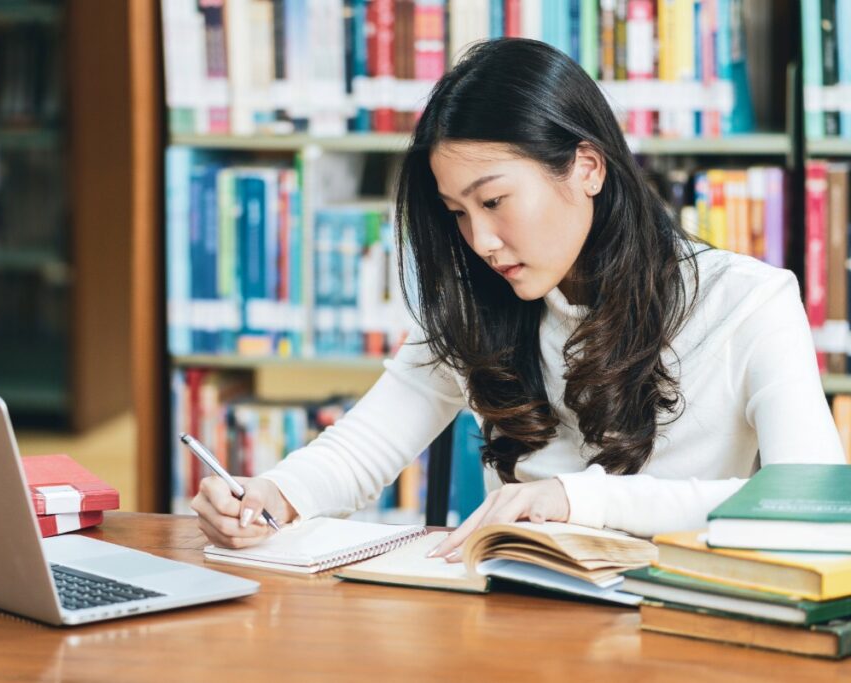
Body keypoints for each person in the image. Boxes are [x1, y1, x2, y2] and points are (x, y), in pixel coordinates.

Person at [190, 38, 844, 560]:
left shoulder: (748, 304)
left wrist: (573, 498)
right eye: (457, 212)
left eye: (495, 201)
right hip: (523, 627)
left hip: (685, 626)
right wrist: (273, 494)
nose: (480, 240)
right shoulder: (485, 304)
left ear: (587, 167)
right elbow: (362, 448)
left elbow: (810, 504)